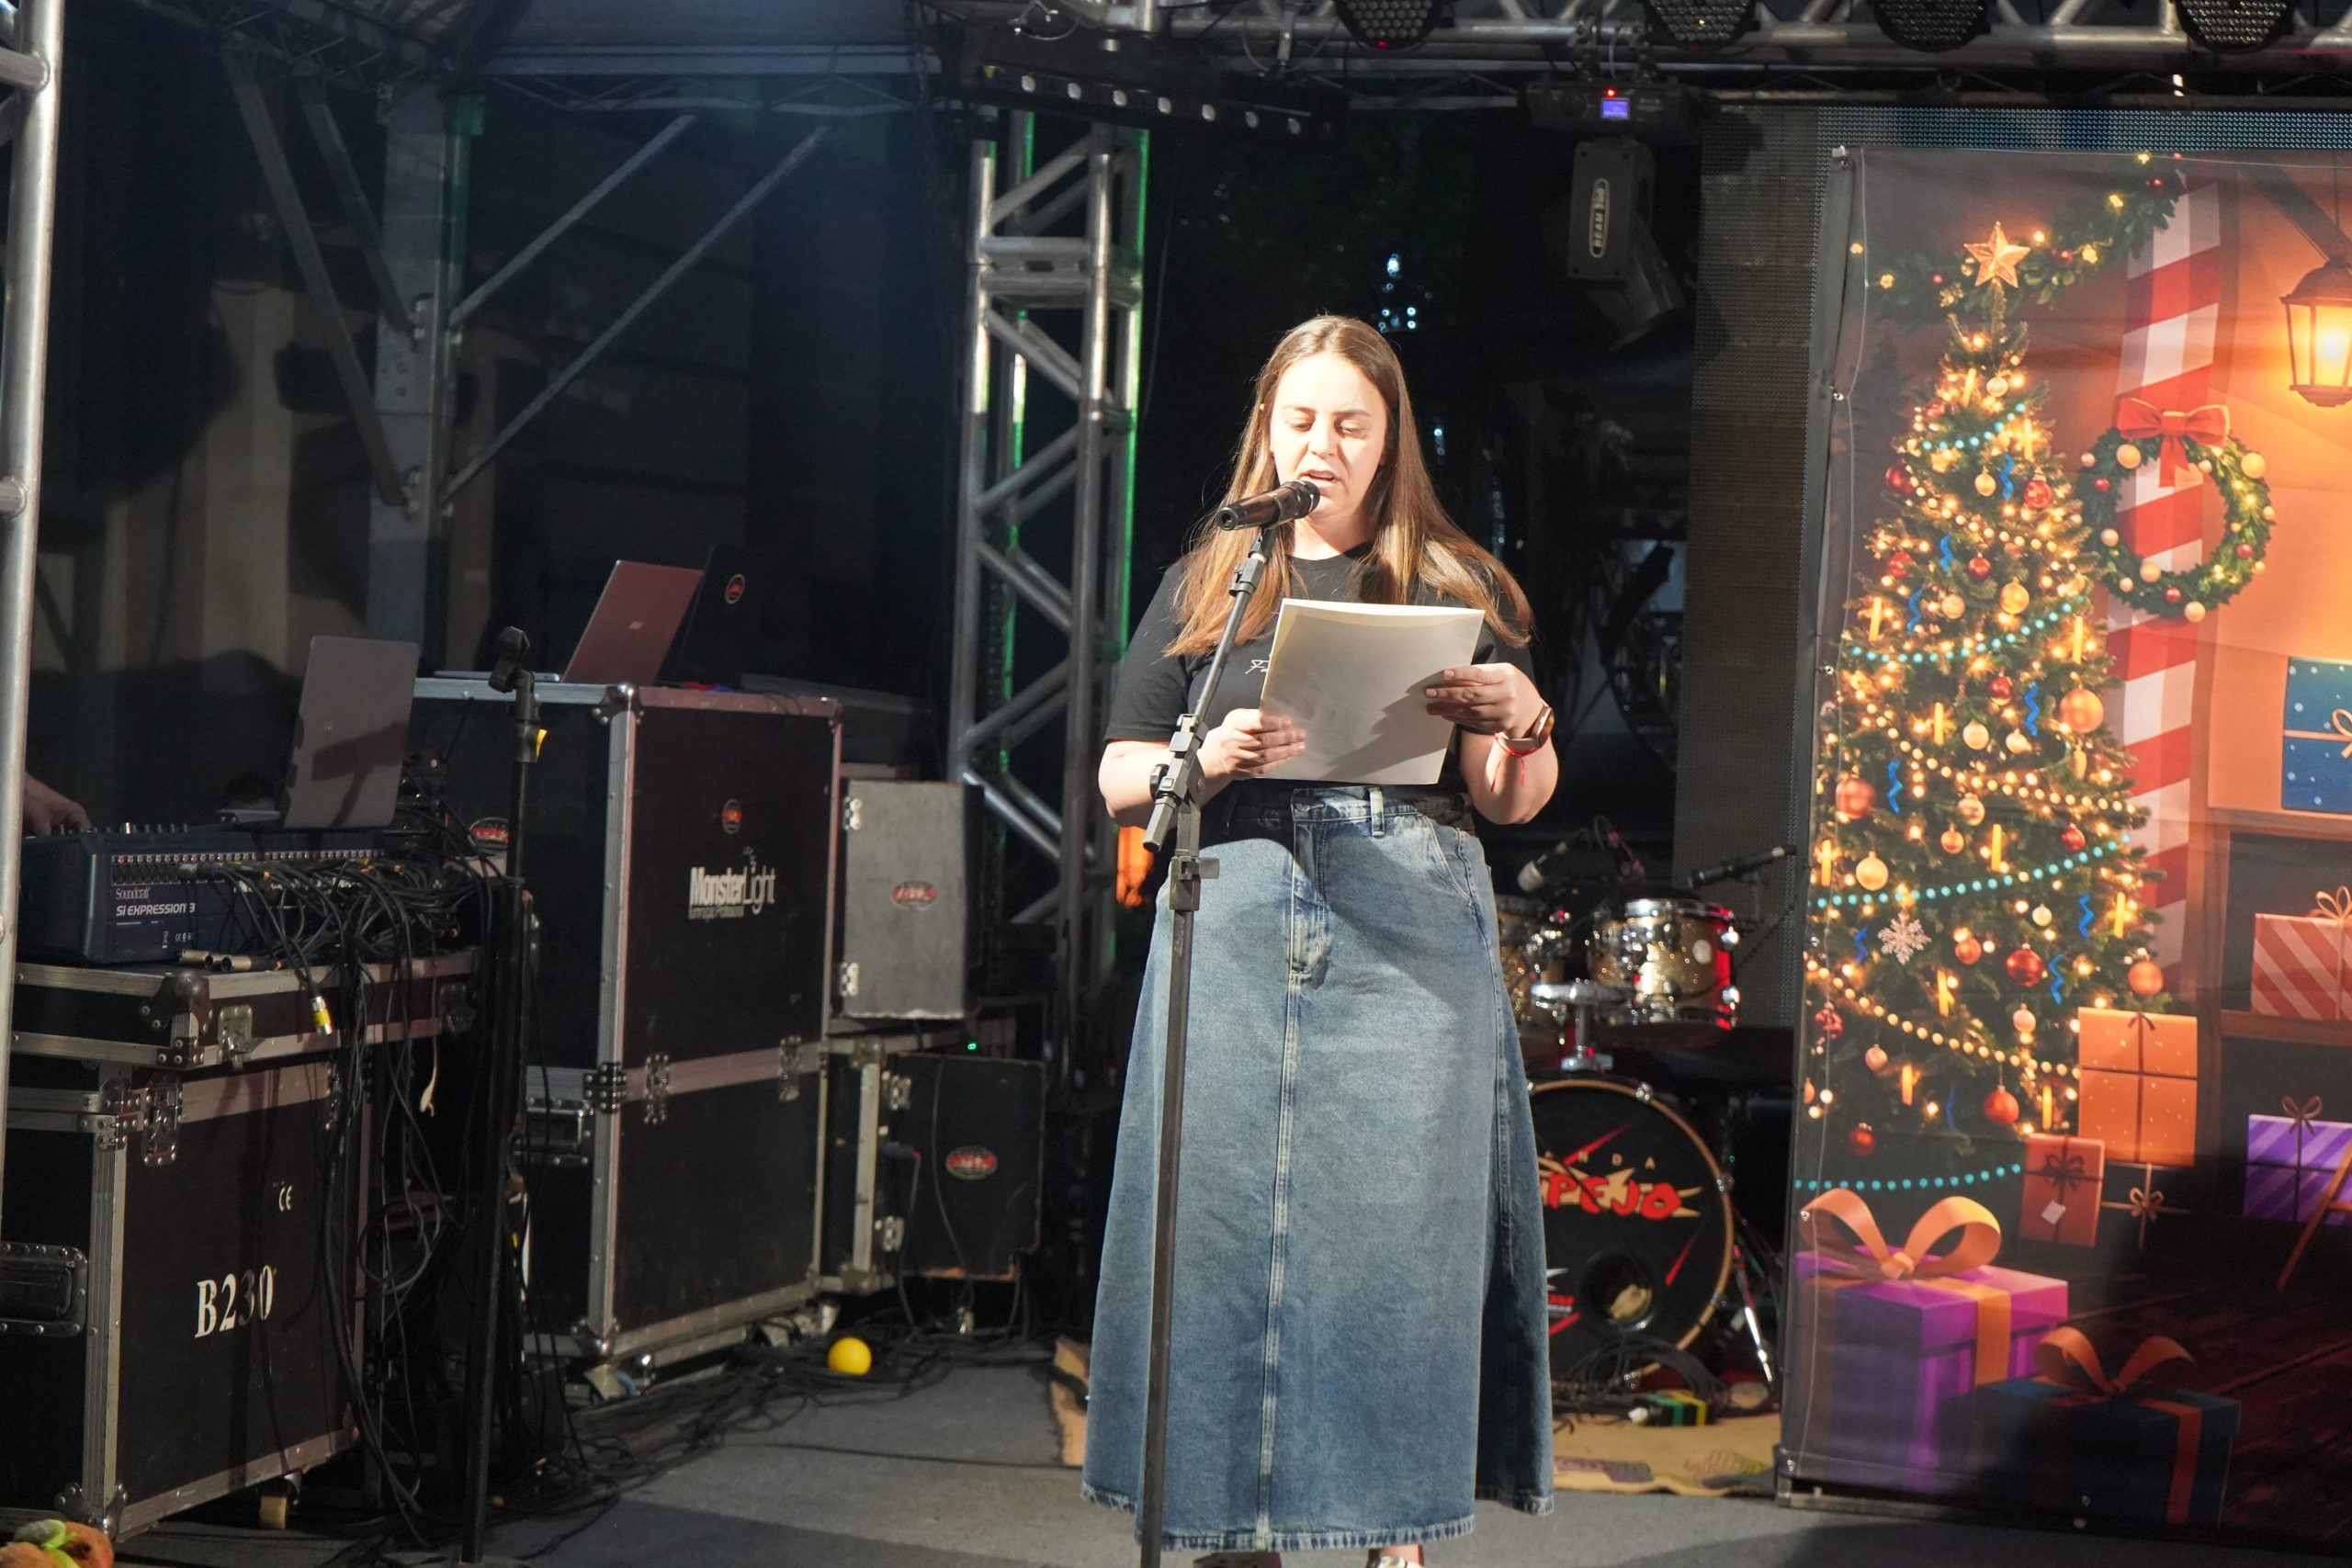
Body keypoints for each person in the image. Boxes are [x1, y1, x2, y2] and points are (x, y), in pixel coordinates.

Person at [1083, 316, 1558, 1567]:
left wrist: (1524, 718)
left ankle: (1395, 1532)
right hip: (1238, 916)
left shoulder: (1453, 583)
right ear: (1267, 430)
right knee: (1227, 1233)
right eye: (1301, 420)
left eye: (1351, 423)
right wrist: (1204, 754)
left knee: (1398, 1242)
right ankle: (1234, 1523)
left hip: (1406, 924)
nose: (1323, 444)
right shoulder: (1214, 579)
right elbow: (1121, 775)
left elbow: (1508, 799)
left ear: (1391, 438)